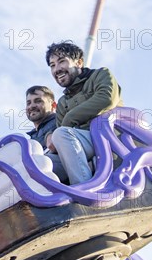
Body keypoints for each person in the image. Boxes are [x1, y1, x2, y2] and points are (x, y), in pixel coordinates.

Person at [45, 41, 123, 184]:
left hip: (106, 138)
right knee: (40, 163)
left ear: (79, 62)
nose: (57, 69)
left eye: (62, 61)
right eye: (52, 65)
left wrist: (69, 118)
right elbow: (60, 139)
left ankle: (85, 192)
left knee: (61, 134)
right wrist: (49, 139)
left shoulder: (101, 74)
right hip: (76, 146)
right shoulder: (62, 102)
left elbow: (106, 98)